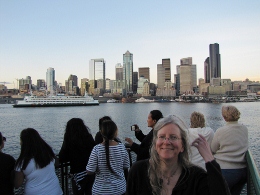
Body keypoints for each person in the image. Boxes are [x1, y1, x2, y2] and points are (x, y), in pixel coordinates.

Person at [126, 115, 230, 195]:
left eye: (173, 137)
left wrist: (209, 159)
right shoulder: (138, 171)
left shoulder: (196, 177)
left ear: (183, 146)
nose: (166, 142)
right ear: (155, 143)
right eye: (162, 137)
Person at [211, 105, 248, 195]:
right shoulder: (244, 129)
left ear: (224, 117)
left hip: (225, 171)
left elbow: (213, 149)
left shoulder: (221, 131)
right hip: (242, 171)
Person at [87, 120, 130, 195]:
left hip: (100, 191)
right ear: (115, 132)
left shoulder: (97, 149)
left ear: (101, 132)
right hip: (119, 189)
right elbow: (126, 166)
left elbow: (90, 171)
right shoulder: (122, 147)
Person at [14, 128, 63, 195]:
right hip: (55, 191)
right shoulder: (48, 154)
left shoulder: (22, 162)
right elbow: (56, 163)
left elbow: (17, 184)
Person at [59, 118, 96, 195]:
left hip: (78, 174)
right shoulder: (88, 137)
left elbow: (62, 157)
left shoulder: (69, 139)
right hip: (91, 172)